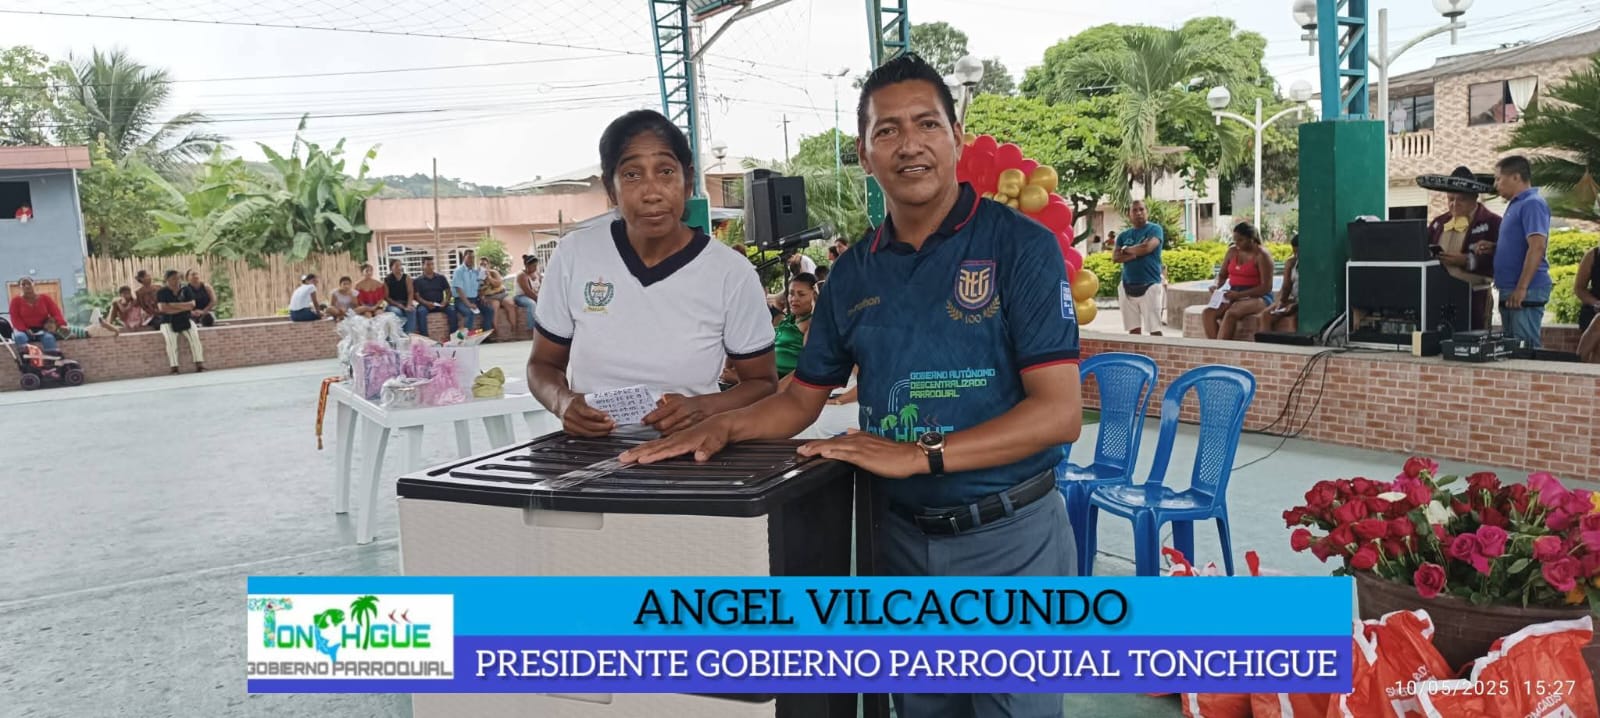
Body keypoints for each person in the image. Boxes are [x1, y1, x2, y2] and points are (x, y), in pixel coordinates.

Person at [619, 54, 1082, 718]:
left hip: (1011, 539)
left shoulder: (1019, 247)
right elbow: (799, 399)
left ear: (956, 137)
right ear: (864, 154)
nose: (909, 143)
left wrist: (922, 455)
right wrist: (719, 425)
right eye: (886, 130)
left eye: (927, 123)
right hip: (900, 543)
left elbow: (1058, 413)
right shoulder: (854, 274)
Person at [528, 109, 778, 438]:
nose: (652, 193)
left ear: (688, 181)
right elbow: (542, 365)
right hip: (591, 450)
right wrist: (563, 402)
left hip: (691, 449)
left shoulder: (731, 272)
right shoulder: (574, 254)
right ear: (611, 188)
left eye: (666, 172)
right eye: (632, 174)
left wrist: (704, 407)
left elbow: (762, 382)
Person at [1418, 166, 1501, 331]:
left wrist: (1467, 261)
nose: (1454, 204)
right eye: (1450, 199)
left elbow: (1502, 258)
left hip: (1474, 296)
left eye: (1461, 199)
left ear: (1474, 198)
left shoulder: (1493, 222)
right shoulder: (1438, 223)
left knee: (1472, 338)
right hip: (1439, 295)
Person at [1493, 155, 1553, 348]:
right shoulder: (1515, 204)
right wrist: (1494, 247)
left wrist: (1521, 288)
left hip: (1526, 289)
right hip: (1510, 288)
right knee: (1510, 349)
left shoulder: (1532, 203)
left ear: (1516, 177)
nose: (1495, 185)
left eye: (1498, 179)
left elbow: (1537, 246)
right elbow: (1519, 244)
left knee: (1524, 349)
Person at [1202, 222, 1275, 341]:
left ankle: (1221, 347)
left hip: (1258, 297)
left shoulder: (1262, 255)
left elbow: (1266, 287)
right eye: (1235, 240)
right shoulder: (1232, 252)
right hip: (1234, 293)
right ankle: (1217, 347)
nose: (1237, 244)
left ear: (1252, 239)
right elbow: (1222, 275)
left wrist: (1240, 295)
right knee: (1208, 313)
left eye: (1240, 240)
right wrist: (1216, 286)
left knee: (1231, 313)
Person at [1112, 200, 1165, 335]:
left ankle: (1157, 350)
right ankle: (1135, 350)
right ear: (1129, 214)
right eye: (1134, 210)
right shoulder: (1123, 235)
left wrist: (1126, 249)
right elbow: (1116, 257)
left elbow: (1147, 248)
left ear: (1147, 212)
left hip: (1150, 285)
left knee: (1155, 330)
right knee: (1134, 331)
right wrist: (1136, 253)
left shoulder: (1155, 229)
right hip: (1127, 286)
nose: (1138, 213)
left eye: (1141, 209)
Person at [156, 269, 205, 373]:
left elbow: (192, 305)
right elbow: (163, 308)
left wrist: (172, 305)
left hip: (185, 318)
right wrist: (183, 307)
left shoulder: (186, 289)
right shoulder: (162, 292)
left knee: (195, 338)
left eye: (178, 278)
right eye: (173, 278)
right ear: (167, 280)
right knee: (171, 342)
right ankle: (174, 367)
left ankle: (199, 364)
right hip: (168, 320)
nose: (176, 280)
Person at [773, 273, 817, 380]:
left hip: (785, 382)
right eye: (791, 294)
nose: (794, 299)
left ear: (814, 296)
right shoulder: (787, 319)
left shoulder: (812, 324)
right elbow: (777, 300)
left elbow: (809, 366)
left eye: (801, 294)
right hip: (768, 373)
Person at [7, 276, 67, 354]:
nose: (27, 286)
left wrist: (61, 324)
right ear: (20, 287)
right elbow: (15, 318)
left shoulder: (45, 298)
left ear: (34, 284)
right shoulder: (15, 301)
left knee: (49, 338)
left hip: (41, 329)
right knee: (19, 337)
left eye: (29, 283)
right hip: (22, 330)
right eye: (23, 284)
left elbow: (56, 313)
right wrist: (25, 329)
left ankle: (52, 359)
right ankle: (26, 359)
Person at [1261, 234, 1301, 333]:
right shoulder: (1292, 263)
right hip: (1293, 299)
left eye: (1299, 252)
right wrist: (1280, 302)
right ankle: (1265, 340)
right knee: (1266, 315)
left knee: (1292, 321)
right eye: (1294, 252)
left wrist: (1296, 305)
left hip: (1304, 303)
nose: (1296, 255)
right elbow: (1286, 287)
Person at [451, 249, 494, 336]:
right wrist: (468, 304)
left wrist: (482, 297)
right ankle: (466, 338)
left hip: (474, 299)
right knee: (469, 313)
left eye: (473, 258)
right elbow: (459, 290)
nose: (472, 260)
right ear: (464, 257)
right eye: (469, 257)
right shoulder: (459, 271)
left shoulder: (476, 272)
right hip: (461, 300)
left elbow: (479, 287)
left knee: (489, 310)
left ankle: (485, 336)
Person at [411, 256, 452, 336]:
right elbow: (417, 297)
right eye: (428, 264)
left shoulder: (441, 278)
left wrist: (445, 301)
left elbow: (448, 292)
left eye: (432, 264)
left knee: (452, 310)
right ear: (423, 266)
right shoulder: (417, 281)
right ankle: (425, 337)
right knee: (421, 312)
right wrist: (427, 303)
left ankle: (454, 336)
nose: (431, 267)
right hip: (425, 305)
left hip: (440, 304)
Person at [1575, 242, 1600, 364]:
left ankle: (1578, 365)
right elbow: (1579, 288)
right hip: (1593, 307)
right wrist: (1595, 303)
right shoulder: (1592, 255)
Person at [479, 257, 516, 333]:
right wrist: (481, 297)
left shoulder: (494, 272)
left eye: (485, 264)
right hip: (490, 297)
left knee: (510, 304)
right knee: (495, 306)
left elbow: (498, 284)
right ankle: (495, 330)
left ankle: (514, 328)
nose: (483, 266)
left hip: (501, 293)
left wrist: (489, 277)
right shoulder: (478, 276)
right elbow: (478, 289)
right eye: (481, 264)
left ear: (489, 265)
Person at [383, 258, 416, 333]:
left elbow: (410, 292)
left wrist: (409, 305)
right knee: (397, 312)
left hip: (406, 302)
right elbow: (386, 297)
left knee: (411, 311)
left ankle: (408, 334)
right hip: (393, 304)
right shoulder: (387, 280)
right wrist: (398, 305)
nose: (399, 267)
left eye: (400, 265)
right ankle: (400, 334)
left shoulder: (406, 277)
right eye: (396, 266)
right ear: (391, 267)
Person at [514, 254, 542, 333]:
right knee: (531, 304)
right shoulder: (521, 275)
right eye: (533, 266)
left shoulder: (537, 274)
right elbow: (528, 292)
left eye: (536, 265)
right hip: (521, 297)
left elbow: (542, 287)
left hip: (534, 295)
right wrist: (539, 300)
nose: (535, 268)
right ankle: (532, 329)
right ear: (527, 265)